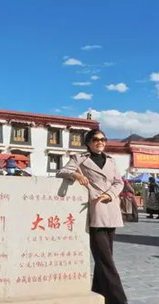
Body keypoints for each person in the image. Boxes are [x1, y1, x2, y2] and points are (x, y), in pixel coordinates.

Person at [57, 128, 127, 304]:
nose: (100, 142)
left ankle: (99, 291)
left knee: (105, 257)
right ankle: (119, 299)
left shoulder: (111, 161)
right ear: (88, 142)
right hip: (95, 211)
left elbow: (119, 182)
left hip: (111, 209)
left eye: (103, 139)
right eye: (96, 139)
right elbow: (61, 172)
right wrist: (75, 174)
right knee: (105, 258)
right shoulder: (80, 159)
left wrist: (110, 194)